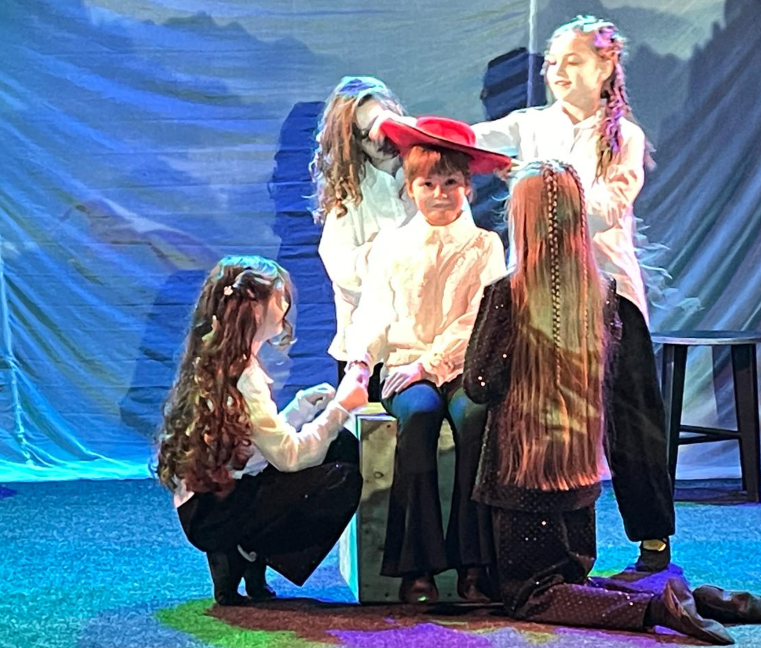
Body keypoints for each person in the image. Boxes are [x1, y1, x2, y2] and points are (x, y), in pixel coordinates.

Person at [464, 161, 761, 645]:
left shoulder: (508, 295)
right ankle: (697, 599)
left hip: (523, 479)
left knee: (533, 595)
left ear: (520, 222)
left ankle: (659, 606)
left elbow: (480, 384)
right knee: (571, 581)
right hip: (579, 480)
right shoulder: (607, 299)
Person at [470, 14, 676, 571]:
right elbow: (468, 141)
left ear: (606, 67)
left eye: (573, 61)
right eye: (552, 62)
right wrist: (397, 127)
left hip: (607, 294)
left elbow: (606, 210)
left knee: (631, 412)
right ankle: (530, 544)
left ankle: (653, 537)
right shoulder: (530, 124)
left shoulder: (624, 137)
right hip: (535, 294)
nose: (558, 71)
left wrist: (540, 185)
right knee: (528, 410)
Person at [344, 117, 509, 604]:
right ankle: (416, 568)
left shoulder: (485, 245)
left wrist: (432, 364)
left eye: (450, 183)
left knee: (476, 418)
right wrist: (360, 363)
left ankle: (475, 564)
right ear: (410, 189)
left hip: (464, 365)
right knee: (417, 417)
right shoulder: (391, 246)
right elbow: (374, 311)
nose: (440, 194)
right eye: (428, 184)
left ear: (467, 187)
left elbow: (479, 318)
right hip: (405, 363)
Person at [156, 255, 368, 605]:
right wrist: (341, 407)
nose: (285, 306)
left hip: (207, 503)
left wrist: (301, 407)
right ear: (254, 308)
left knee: (337, 444)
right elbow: (288, 457)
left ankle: (245, 551)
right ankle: (247, 547)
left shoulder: (222, 360)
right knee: (341, 477)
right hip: (216, 511)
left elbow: (254, 441)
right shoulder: (244, 374)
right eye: (279, 297)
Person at [311, 76, 414, 401]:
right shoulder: (348, 193)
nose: (379, 138)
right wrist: (394, 255)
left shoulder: (432, 176)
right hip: (368, 354)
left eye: (383, 124)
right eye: (365, 133)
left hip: (425, 347)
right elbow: (343, 271)